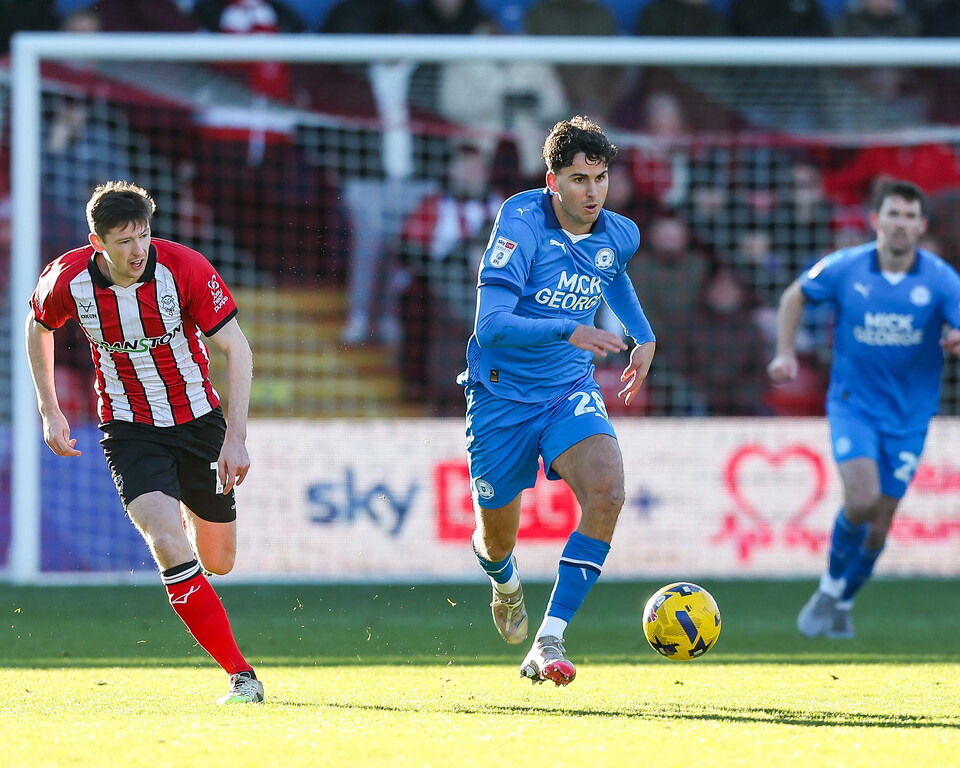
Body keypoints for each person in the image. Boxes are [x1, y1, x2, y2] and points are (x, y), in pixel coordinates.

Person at [25, 181, 264, 704]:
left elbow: (237, 350)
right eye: (124, 240)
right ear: (97, 243)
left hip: (199, 422)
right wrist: (50, 410)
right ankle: (241, 675)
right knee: (165, 541)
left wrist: (235, 437)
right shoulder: (67, 279)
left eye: (144, 236)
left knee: (219, 562)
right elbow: (37, 326)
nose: (137, 251)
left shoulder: (186, 268)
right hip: (128, 428)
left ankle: (188, 516)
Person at [459, 117, 656, 685]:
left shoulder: (620, 233)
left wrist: (641, 335)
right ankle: (504, 582)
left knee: (609, 490)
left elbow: (611, 272)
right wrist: (565, 330)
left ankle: (549, 639)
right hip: (500, 396)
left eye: (600, 178)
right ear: (552, 181)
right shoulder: (521, 225)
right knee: (497, 538)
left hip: (568, 388)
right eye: (578, 180)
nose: (592, 192)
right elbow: (491, 324)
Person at [767, 179, 960, 639]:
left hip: (910, 417)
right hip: (853, 405)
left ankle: (845, 601)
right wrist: (785, 352)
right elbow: (795, 294)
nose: (901, 224)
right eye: (893, 214)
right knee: (861, 499)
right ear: (876, 220)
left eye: (910, 217)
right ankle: (829, 588)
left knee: (879, 524)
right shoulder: (846, 267)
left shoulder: (941, 279)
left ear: (921, 226)